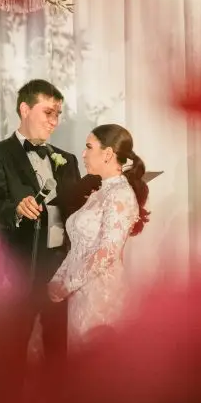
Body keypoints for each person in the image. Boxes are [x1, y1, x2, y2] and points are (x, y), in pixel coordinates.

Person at [0, 79, 80, 403]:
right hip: (16, 276)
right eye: (47, 112)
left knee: (57, 362)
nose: (54, 121)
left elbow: (75, 217)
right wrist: (16, 210)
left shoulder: (67, 159)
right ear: (24, 109)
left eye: (58, 114)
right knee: (8, 362)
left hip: (57, 276)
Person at [47, 124, 149, 346]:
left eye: (88, 147)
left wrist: (67, 285)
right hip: (80, 295)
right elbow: (78, 247)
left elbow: (107, 252)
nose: (83, 153)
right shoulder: (100, 193)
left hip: (101, 295)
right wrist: (57, 279)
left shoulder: (121, 194)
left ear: (108, 154)